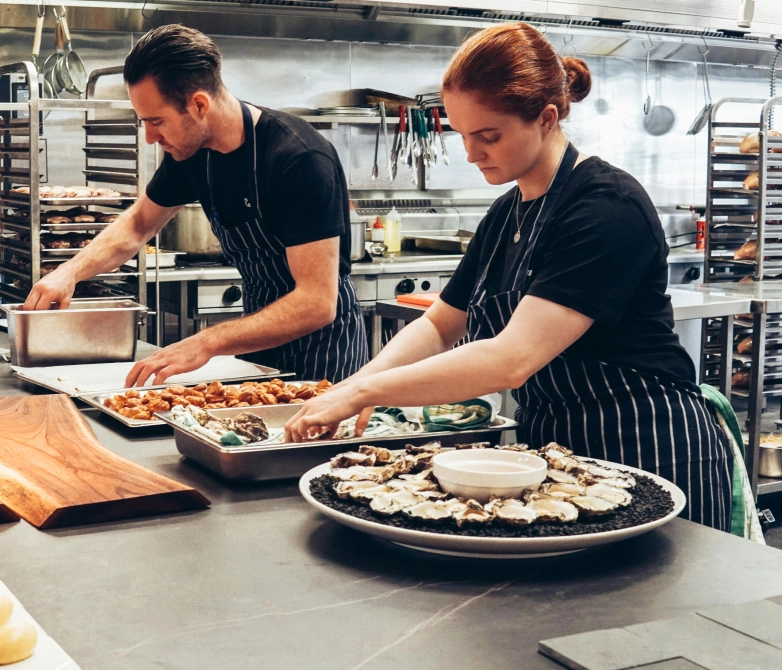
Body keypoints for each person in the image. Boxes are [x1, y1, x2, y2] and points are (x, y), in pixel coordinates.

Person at [285, 22, 733, 530]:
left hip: (648, 445)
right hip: (557, 457)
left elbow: (511, 359)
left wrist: (368, 393)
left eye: (488, 136)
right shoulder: (506, 214)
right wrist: (355, 384)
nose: (472, 154)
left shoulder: (606, 207)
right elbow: (438, 326)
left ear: (545, 118)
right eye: (462, 136)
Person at [23, 25, 367, 385]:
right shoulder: (192, 154)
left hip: (324, 352)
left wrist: (207, 342)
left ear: (199, 105)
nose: (151, 137)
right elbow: (139, 224)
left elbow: (316, 302)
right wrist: (69, 272)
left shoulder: (298, 157)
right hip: (257, 338)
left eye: (157, 122)